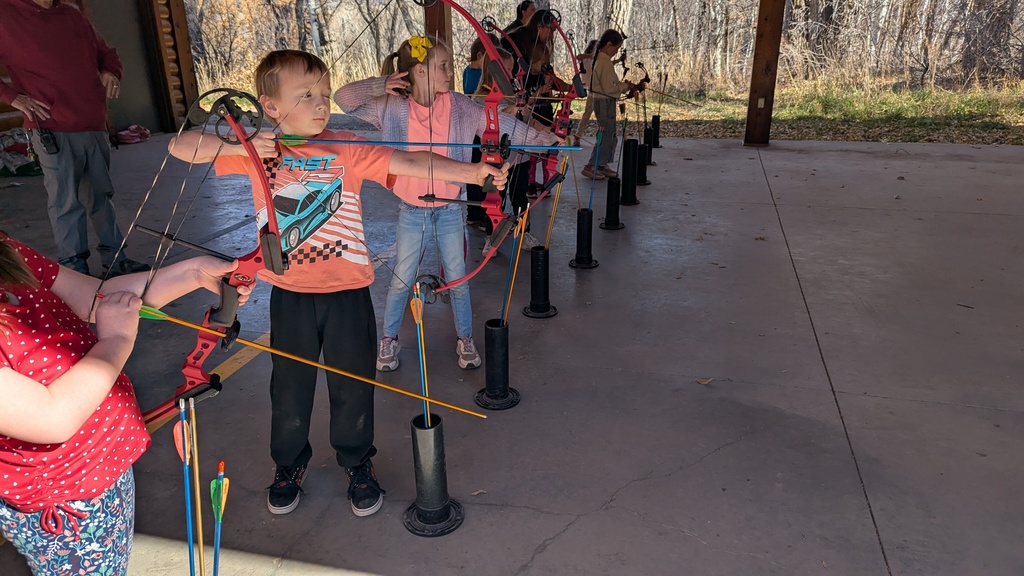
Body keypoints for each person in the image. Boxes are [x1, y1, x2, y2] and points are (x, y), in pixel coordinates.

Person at [169, 49, 509, 518]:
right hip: (290, 296)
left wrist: (474, 172)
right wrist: (238, 146)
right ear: (270, 106)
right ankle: (288, 465)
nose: (320, 104)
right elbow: (179, 147)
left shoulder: (347, 145)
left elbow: (412, 162)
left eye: (324, 95)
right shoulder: (255, 151)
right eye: (305, 95)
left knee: (353, 387)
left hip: (348, 293)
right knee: (289, 387)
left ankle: (356, 462)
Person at [0, 230, 252, 575]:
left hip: (107, 465)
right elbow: (52, 417)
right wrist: (117, 338)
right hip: (66, 499)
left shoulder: (6, 250)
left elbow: (96, 297)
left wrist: (193, 272)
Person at [334, 36, 557, 374]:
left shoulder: (459, 105)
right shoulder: (390, 106)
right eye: (442, 67)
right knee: (400, 281)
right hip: (411, 209)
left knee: (458, 279)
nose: (450, 73)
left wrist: (548, 140)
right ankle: (389, 339)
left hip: (450, 208)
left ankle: (464, 338)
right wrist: (383, 83)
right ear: (420, 71)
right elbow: (342, 98)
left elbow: (502, 125)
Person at [0, 0, 150, 278]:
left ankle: (116, 260)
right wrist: (13, 98)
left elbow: (107, 54)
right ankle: (75, 268)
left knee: (102, 195)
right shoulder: (6, 14)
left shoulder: (70, 14)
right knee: (65, 201)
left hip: (92, 122)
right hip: (50, 126)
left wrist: (110, 72)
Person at [582, 29, 640, 181]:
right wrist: (625, 87)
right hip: (604, 101)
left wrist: (623, 85)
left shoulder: (599, 58)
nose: (615, 52)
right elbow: (610, 88)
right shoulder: (603, 60)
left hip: (603, 101)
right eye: (615, 48)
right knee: (606, 135)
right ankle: (592, 165)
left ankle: (601, 164)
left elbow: (609, 84)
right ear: (608, 44)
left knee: (610, 134)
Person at [573, 39, 599, 140]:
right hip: (590, 89)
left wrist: (619, 60)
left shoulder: (597, 59)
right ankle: (578, 135)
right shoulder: (585, 58)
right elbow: (577, 57)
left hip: (597, 88)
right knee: (587, 113)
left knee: (599, 115)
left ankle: (600, 137)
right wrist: (590, 55)